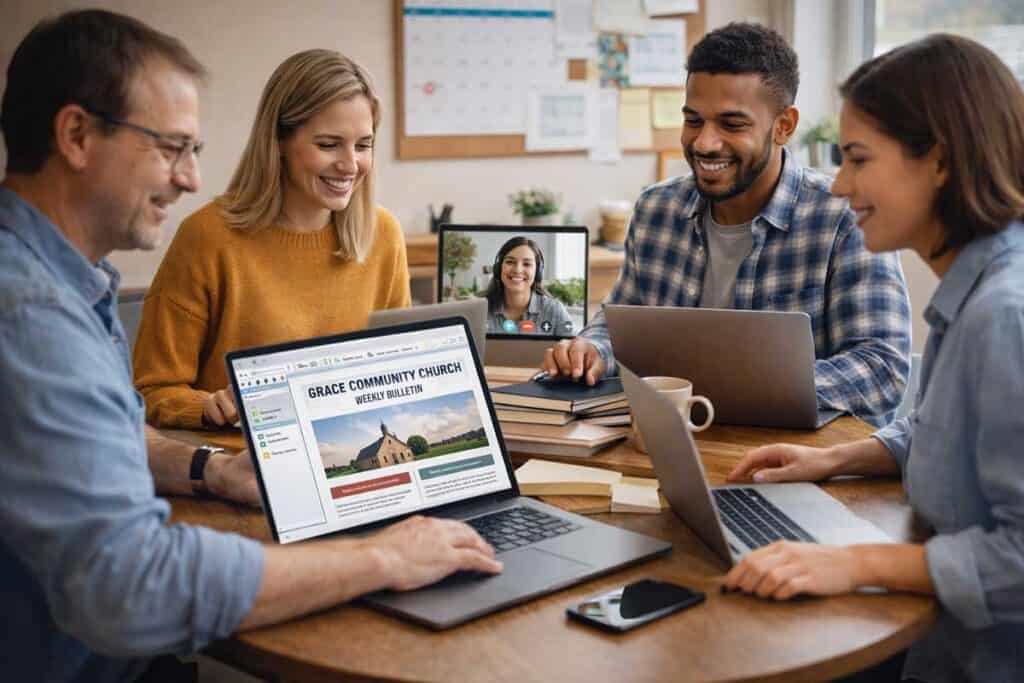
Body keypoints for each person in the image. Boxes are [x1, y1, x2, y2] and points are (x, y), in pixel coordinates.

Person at [0, 11, 500, 681]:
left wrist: (210, 468)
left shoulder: (65, 286)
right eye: (171, 147)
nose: (189, 179)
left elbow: (104, 437)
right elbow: (130, 585)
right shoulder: (33, 317)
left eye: (194, 151)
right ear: (76, 134)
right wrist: (384, 558)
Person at [723, 34, 1024, 682]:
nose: (838, 184)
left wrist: (857, 562)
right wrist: (839, 457)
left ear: (938, 160)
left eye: (857, 159)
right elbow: (949, 432)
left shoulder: (1007, 314)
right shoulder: (973, 290)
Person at [543, 22, 911, 426]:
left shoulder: (843, 215)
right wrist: (592, 350)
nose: (704, 143)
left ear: (784, 126)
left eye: (731, 124)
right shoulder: (656, 210)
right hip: (676, 442)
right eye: (694, 120)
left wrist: (741, 386)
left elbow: (882, 369)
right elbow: (618, 329)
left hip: (797, 459)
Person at [132, 48, 411, 430]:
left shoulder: (383, 235)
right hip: (237, 464)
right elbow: (151, 390)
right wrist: (207, 407)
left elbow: (403, 375)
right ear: (278, 141)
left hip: (347, 456)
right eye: (328, 145)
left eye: (363, 145)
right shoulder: (208, 237)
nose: (350, 164)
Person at [484, 236, 573, 335]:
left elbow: (573, 345)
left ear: (537, 272)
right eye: (510, 262)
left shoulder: (553, 310)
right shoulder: (481, 309)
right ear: (498, 268)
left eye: (526, 264)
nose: (518, 270)